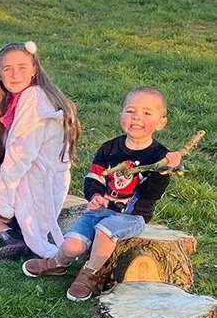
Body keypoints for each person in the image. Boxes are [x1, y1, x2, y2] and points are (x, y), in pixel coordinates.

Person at [22, 87, 182, 301]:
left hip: (130, 216)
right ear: (121, 115)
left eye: (147, 113)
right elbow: (94, 177)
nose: (136, 118)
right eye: (131, 111)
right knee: (71, 246)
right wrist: (95, 196)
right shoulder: (109, 148)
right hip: (99, 211)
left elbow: (152, 194)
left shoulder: (159, 156)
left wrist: (164, 172)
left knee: (105, 230)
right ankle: (57, 263)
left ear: (161, 122)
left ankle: (90, 274)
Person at [0, 41, 81, 261]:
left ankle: (7, 231)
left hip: (33, 189)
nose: (15, 75)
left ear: (34, 69)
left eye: (22, 67)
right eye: (7, 69)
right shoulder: (11, 100)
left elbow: (19, 158)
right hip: (21, 179)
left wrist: (0, 203)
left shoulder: (35, 100)